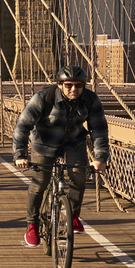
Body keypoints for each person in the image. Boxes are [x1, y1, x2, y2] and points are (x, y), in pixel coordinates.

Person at [13, 65, 109, 248]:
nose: (74, 89)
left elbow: (99, 129)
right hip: (44, 143)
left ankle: (73, 215)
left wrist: (100, 157)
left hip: (74, 142)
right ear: (59, 84)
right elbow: (22, 126)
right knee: (40, 181)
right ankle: (32, 224)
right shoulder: (43, 98)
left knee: (79, 176)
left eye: (79, 85)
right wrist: (20, 155)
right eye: (69, 85)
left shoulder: (90, 100)